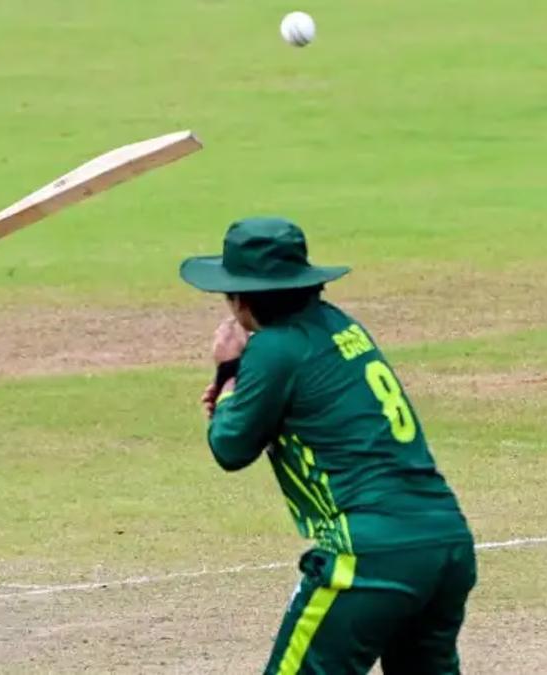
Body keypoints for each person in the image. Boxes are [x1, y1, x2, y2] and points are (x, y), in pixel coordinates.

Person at [180, 217, 475, 674]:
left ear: (241, 299)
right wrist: (241, 390)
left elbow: (230, 448)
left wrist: (229, 375)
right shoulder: (341, 325)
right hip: (445, 543)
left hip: (369, 553)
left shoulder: (274, 349)